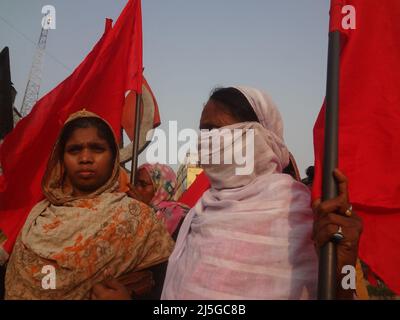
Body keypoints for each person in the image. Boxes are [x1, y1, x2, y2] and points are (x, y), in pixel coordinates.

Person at [161, 86, 363, 300]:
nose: (205, 141)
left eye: (215, 130)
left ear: (259, 135)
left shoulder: (312, 216)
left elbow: (347, 291)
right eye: (204, 131)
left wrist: (345, 269)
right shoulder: (199, 214)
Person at [4, 110, 174, 300]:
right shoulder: (37, 216)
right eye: (74, 150)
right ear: (61, 159)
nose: (85, 158)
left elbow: (166, 290)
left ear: (113, 158)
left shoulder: (138, 220)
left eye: (97, 149)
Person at [130, 163, 189, 239]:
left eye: (143, 184)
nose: (136, 188)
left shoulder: (179, 217)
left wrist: (142, 211)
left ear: (160, 188)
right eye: (135, 183)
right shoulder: (130, 209)